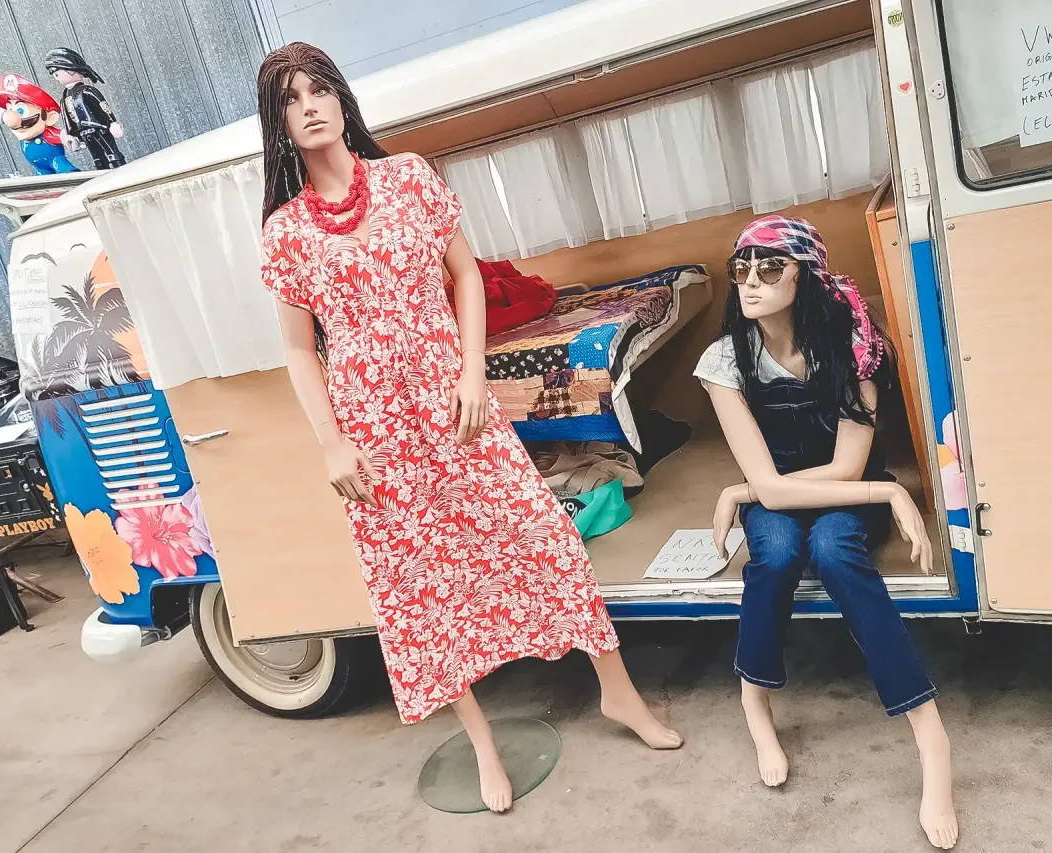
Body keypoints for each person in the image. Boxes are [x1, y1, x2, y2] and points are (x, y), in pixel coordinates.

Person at [255, 42, 682, 814]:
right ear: (277, 122)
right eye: (290, 98)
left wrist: (471, 372)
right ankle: (482, 740)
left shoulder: (408, 177)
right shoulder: (286, 231)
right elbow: (297, 348)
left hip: (453, 406)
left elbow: (466, 275)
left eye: (319, 89)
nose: (309, 106)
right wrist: (331, 441)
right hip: (372, 429)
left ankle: (618, 690)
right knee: (420, 584)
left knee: (543, 533)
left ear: (342, 99)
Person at [697, 216, 958, 849]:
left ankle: (930, 734)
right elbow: (772, 489)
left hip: (843, 487)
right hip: (794, 493)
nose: (750, 281)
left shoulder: (854, 345)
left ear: (806, 277)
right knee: (777, 552)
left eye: (769, 268)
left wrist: (748, 490)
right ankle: (755, 701)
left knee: (836, 551)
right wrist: (887, 491)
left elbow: (845, 468)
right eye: (741, 268)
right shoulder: (724, 360)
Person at [44, 48, 126, 170]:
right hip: (83, 133)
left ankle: (122, 171)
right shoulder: (65, 96)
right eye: (55, 75)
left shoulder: (87, 90)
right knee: (97, 158)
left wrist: (112, 122)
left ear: (71, 70)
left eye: (57, 74)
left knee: (112, 153)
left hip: (99, 129)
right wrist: (69, 134)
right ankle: (103, 174)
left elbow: (103, 106)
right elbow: (67, 118)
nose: (56, 78)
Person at [0, 74, 78, 175]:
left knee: (61, 166)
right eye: (10, 109)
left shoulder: (47, 134)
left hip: (55, 160)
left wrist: (66, 137)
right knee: (42, 177)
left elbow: (59, 135)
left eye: (20, 110)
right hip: (40, 167)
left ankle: (67, 171)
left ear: (49, 117)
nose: (12, 119)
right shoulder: (24, 138)